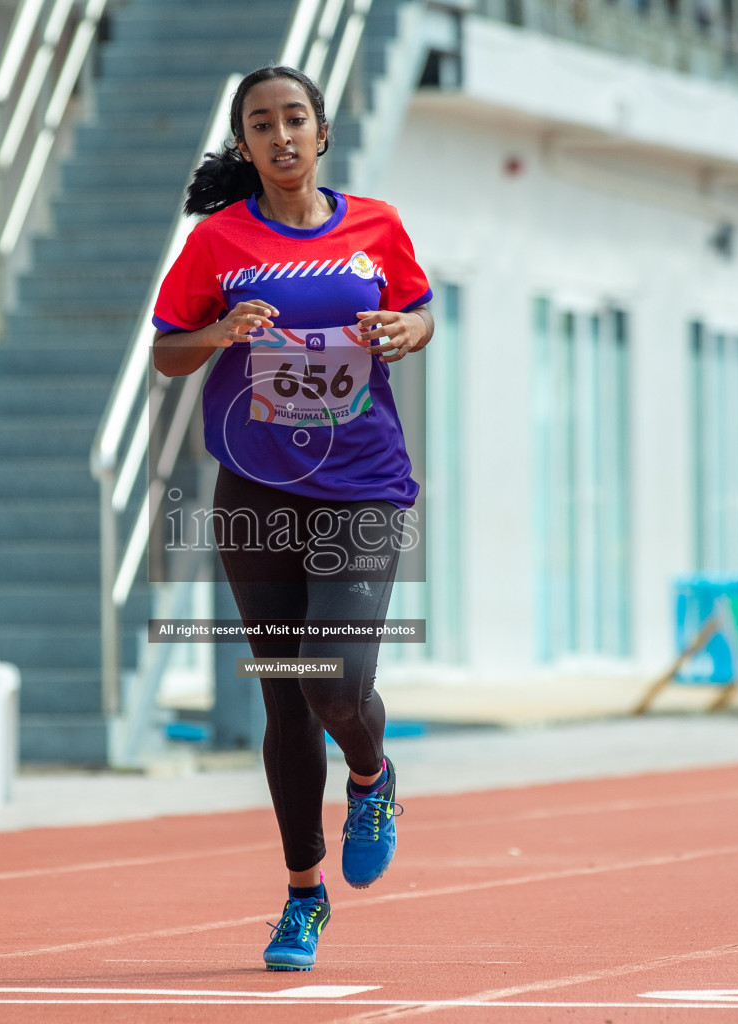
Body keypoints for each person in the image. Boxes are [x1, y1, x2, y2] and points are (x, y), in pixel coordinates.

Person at [151, 65, 434, 972]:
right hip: (258, 492)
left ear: (321, 133)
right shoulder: (219, 241)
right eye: (261, 125)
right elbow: (166, 351)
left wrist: (405, 332)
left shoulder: (376, 227)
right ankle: (302, 895)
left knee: (334, 684)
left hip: (360, 488)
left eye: (294, 119)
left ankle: (372, 775)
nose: (280, 136)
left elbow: (420, 312)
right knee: (284, 698)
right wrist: (223, 333)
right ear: (245, 144)